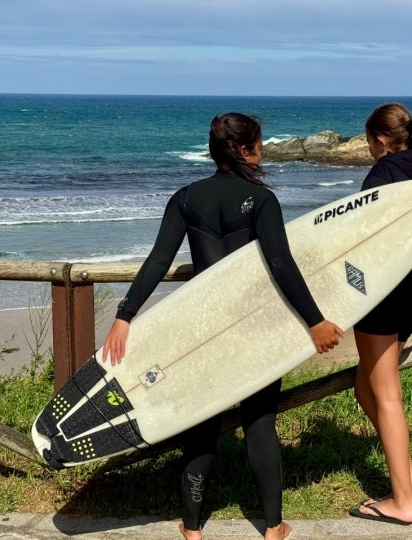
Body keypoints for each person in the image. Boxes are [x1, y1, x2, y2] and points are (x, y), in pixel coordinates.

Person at [101, 112, 344, 540]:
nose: (263, 149)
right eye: (261, 143)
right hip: (252, 326)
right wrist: (315, 321)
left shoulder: (185, 197)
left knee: (202, 424)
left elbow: (158, 260)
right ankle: (272, 526)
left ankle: (192, 528)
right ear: (247, 148)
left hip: (204, 328)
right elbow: (280, 263)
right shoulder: (262, 199)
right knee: (259, 422)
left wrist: (125, 315)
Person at [348, 103, 412, 526]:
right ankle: (410, 486)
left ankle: (402, 502)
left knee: (386, 394)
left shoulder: (384, 172)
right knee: (364, 386)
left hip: (386, 287)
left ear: (379, 139)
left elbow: (361, 234)